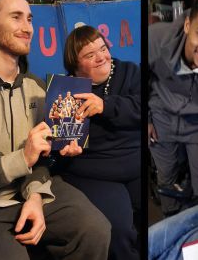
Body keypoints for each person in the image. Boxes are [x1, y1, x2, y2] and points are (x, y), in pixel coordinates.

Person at [0, 0, 111, 260]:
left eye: (29, 19)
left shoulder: (38, 88)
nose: (27, 27)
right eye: (16, 17)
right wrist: (22, 158)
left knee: (96, 229)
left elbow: (42, 160)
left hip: (30, 190)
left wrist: (37, 193)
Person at [54, 25, 141, 260]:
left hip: (134, 163)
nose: (101, 57)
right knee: (118, 230)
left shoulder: (130, 72)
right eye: (90, 55)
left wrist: (105, 106)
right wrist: (64, 150)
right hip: (93, 172)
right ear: (75, 64)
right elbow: (59, 141)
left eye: (103, 48)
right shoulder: (66, 91)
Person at [148, 0, 198, 216]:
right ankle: (170, 220)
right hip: (162, 118)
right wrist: (147, 119)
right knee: (165, 178)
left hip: (195, 124)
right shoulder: (155, 39)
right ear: (187, 25)